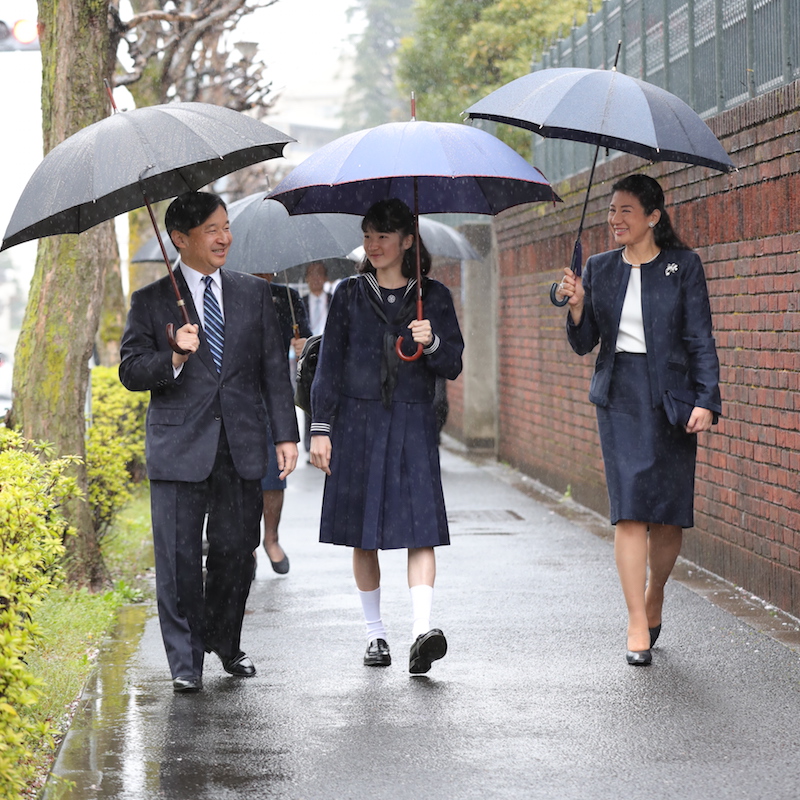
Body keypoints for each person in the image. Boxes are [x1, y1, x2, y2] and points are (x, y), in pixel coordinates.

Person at [119, 191, 299, 693]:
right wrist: (174, 355)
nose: (225, 238)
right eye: (213, 229)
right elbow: (131, 371)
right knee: (177, 559)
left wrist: (285, 434)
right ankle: (184, 659)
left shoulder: (252, 294)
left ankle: (225, 641)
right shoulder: (152, 301)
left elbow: (273, 373)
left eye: (226, 226)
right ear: (181, 239)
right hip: (180, 448)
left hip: (240, 443)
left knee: (236, 552)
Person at [557, 174, 721, 666]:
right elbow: (584, 343)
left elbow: (700, 338)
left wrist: (706, 399)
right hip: (619, 396)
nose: (615, 219)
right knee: (629, 509)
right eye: (611, 211)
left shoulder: (683, 266)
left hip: (671, 396)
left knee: (667, 514)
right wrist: (579, 306)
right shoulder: (599, 268)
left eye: (626, 210)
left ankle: (656, 593)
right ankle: (634, 619)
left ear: (653, 216)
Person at [309, 198, 464, 674]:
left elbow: (453, 362)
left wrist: (431, 340)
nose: (373, 245)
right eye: (368, 235)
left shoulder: (432, 296)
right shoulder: (350, 295)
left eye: (383, 236)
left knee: (421, 530)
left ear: (407, 241)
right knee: (364, 533)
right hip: (357, 422)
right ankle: (375, 635)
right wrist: (321, 428)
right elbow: (329, 365)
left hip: (414, 420)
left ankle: (421, 632)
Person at [254, 272, 312, 575]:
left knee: (274, 472)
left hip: (273, 392)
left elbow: (311, 345)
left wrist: (305, 346)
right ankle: (245, 545)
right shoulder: (224, 292)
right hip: (234, 393)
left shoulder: (287, 297)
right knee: (237, 473)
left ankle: (271, 538)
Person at [302, 261, 332, 455]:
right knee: (308, 397)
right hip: (309, 356)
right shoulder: (300, 301)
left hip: (330, 353)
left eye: (319, 274)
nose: (316, 278)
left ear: (326, 277)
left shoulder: (334, 299)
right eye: (311, 274)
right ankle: (309, 440)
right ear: (306, 279)